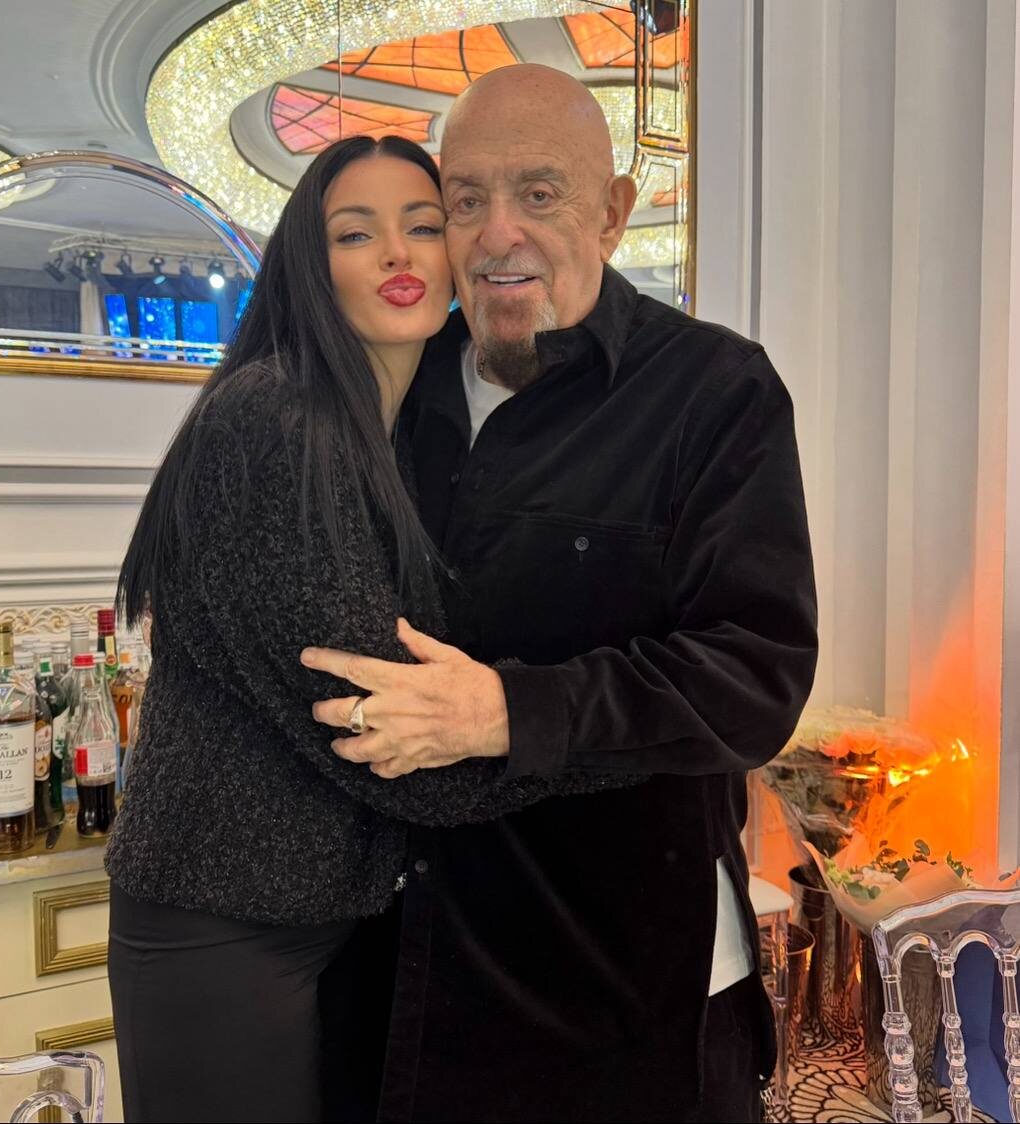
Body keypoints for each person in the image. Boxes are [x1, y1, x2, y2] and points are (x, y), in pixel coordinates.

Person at [303, 65, 819, 1123]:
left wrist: (506, 710)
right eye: (466, 200)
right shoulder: (383, 392)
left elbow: (753, 677)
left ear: (613, 212)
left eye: (539, 194)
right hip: (404, 980)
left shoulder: (715, 392)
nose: (499, 234)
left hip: (626, 1001)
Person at [104, 134, 645, 1124]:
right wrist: (624, 738)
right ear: (309, 269)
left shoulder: (384, 436)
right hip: (224, 925)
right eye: (355, 234)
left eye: (423, 226)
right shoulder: (274, 420)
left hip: (327, 919)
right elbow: (379, 723)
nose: (397, 253)